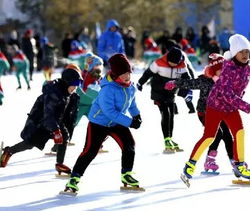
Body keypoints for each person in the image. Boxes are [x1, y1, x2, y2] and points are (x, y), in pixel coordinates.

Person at [181, 34, 250, 186]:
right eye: (241, 52)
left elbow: (240, 91)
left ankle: (240, 165)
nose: (245, 55)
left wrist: (241, 104)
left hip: (231, 107)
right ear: (234, 53)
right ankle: (190, 165)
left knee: (240, 132)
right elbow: (226, 94)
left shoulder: (249, 69)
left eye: (247, 52)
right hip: (216, 105)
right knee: (210, 136)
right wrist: (248, 108)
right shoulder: (228, 68)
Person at [63, 54, 143, 194]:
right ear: (116, 74)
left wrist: (137, 115)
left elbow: (132, 103)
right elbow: (109, 112)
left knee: (129, 145)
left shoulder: (130, 87)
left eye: (128, 73)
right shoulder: (108, 89)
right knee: (90, 151)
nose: (127, 76)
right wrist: (130, 122)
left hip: (116, 123)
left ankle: (126, 174)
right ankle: (74, 178)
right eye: (123, 74)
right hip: (98, 122)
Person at [0, 64, 82, 176]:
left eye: (78, 85)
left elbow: (68, 113)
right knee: (30, 144)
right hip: (43, 122)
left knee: (65, 137)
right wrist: (56, 130)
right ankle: (9, 151)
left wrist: (62, 128)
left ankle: (59, 164)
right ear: (67, 82)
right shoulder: (54, 93)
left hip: (57, 121)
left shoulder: (69, 94)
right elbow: (48, 114)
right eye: (74, 84)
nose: (76, 88)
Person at [164, 53, 233, 173]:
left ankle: (235, 161)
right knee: (218, 133)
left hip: (220, 112)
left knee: (227, 134)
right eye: (220, 71)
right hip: (205, 113)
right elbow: (190, 83)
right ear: (214, 71)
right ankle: (210, 160)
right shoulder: (205, 81)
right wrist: (175, 83)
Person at [137, 47, 192, 153]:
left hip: (171, 93)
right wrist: (140, 83)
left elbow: (187, 79)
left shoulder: (182, 65)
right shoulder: (158, 63)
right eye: (171, 62)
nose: (173, 65)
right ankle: (166, 139)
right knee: (165, 113)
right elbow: (148, 73)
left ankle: (170, 138)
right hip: (158, 93)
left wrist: (188, 91)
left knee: (171, 115)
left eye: (175, 63)